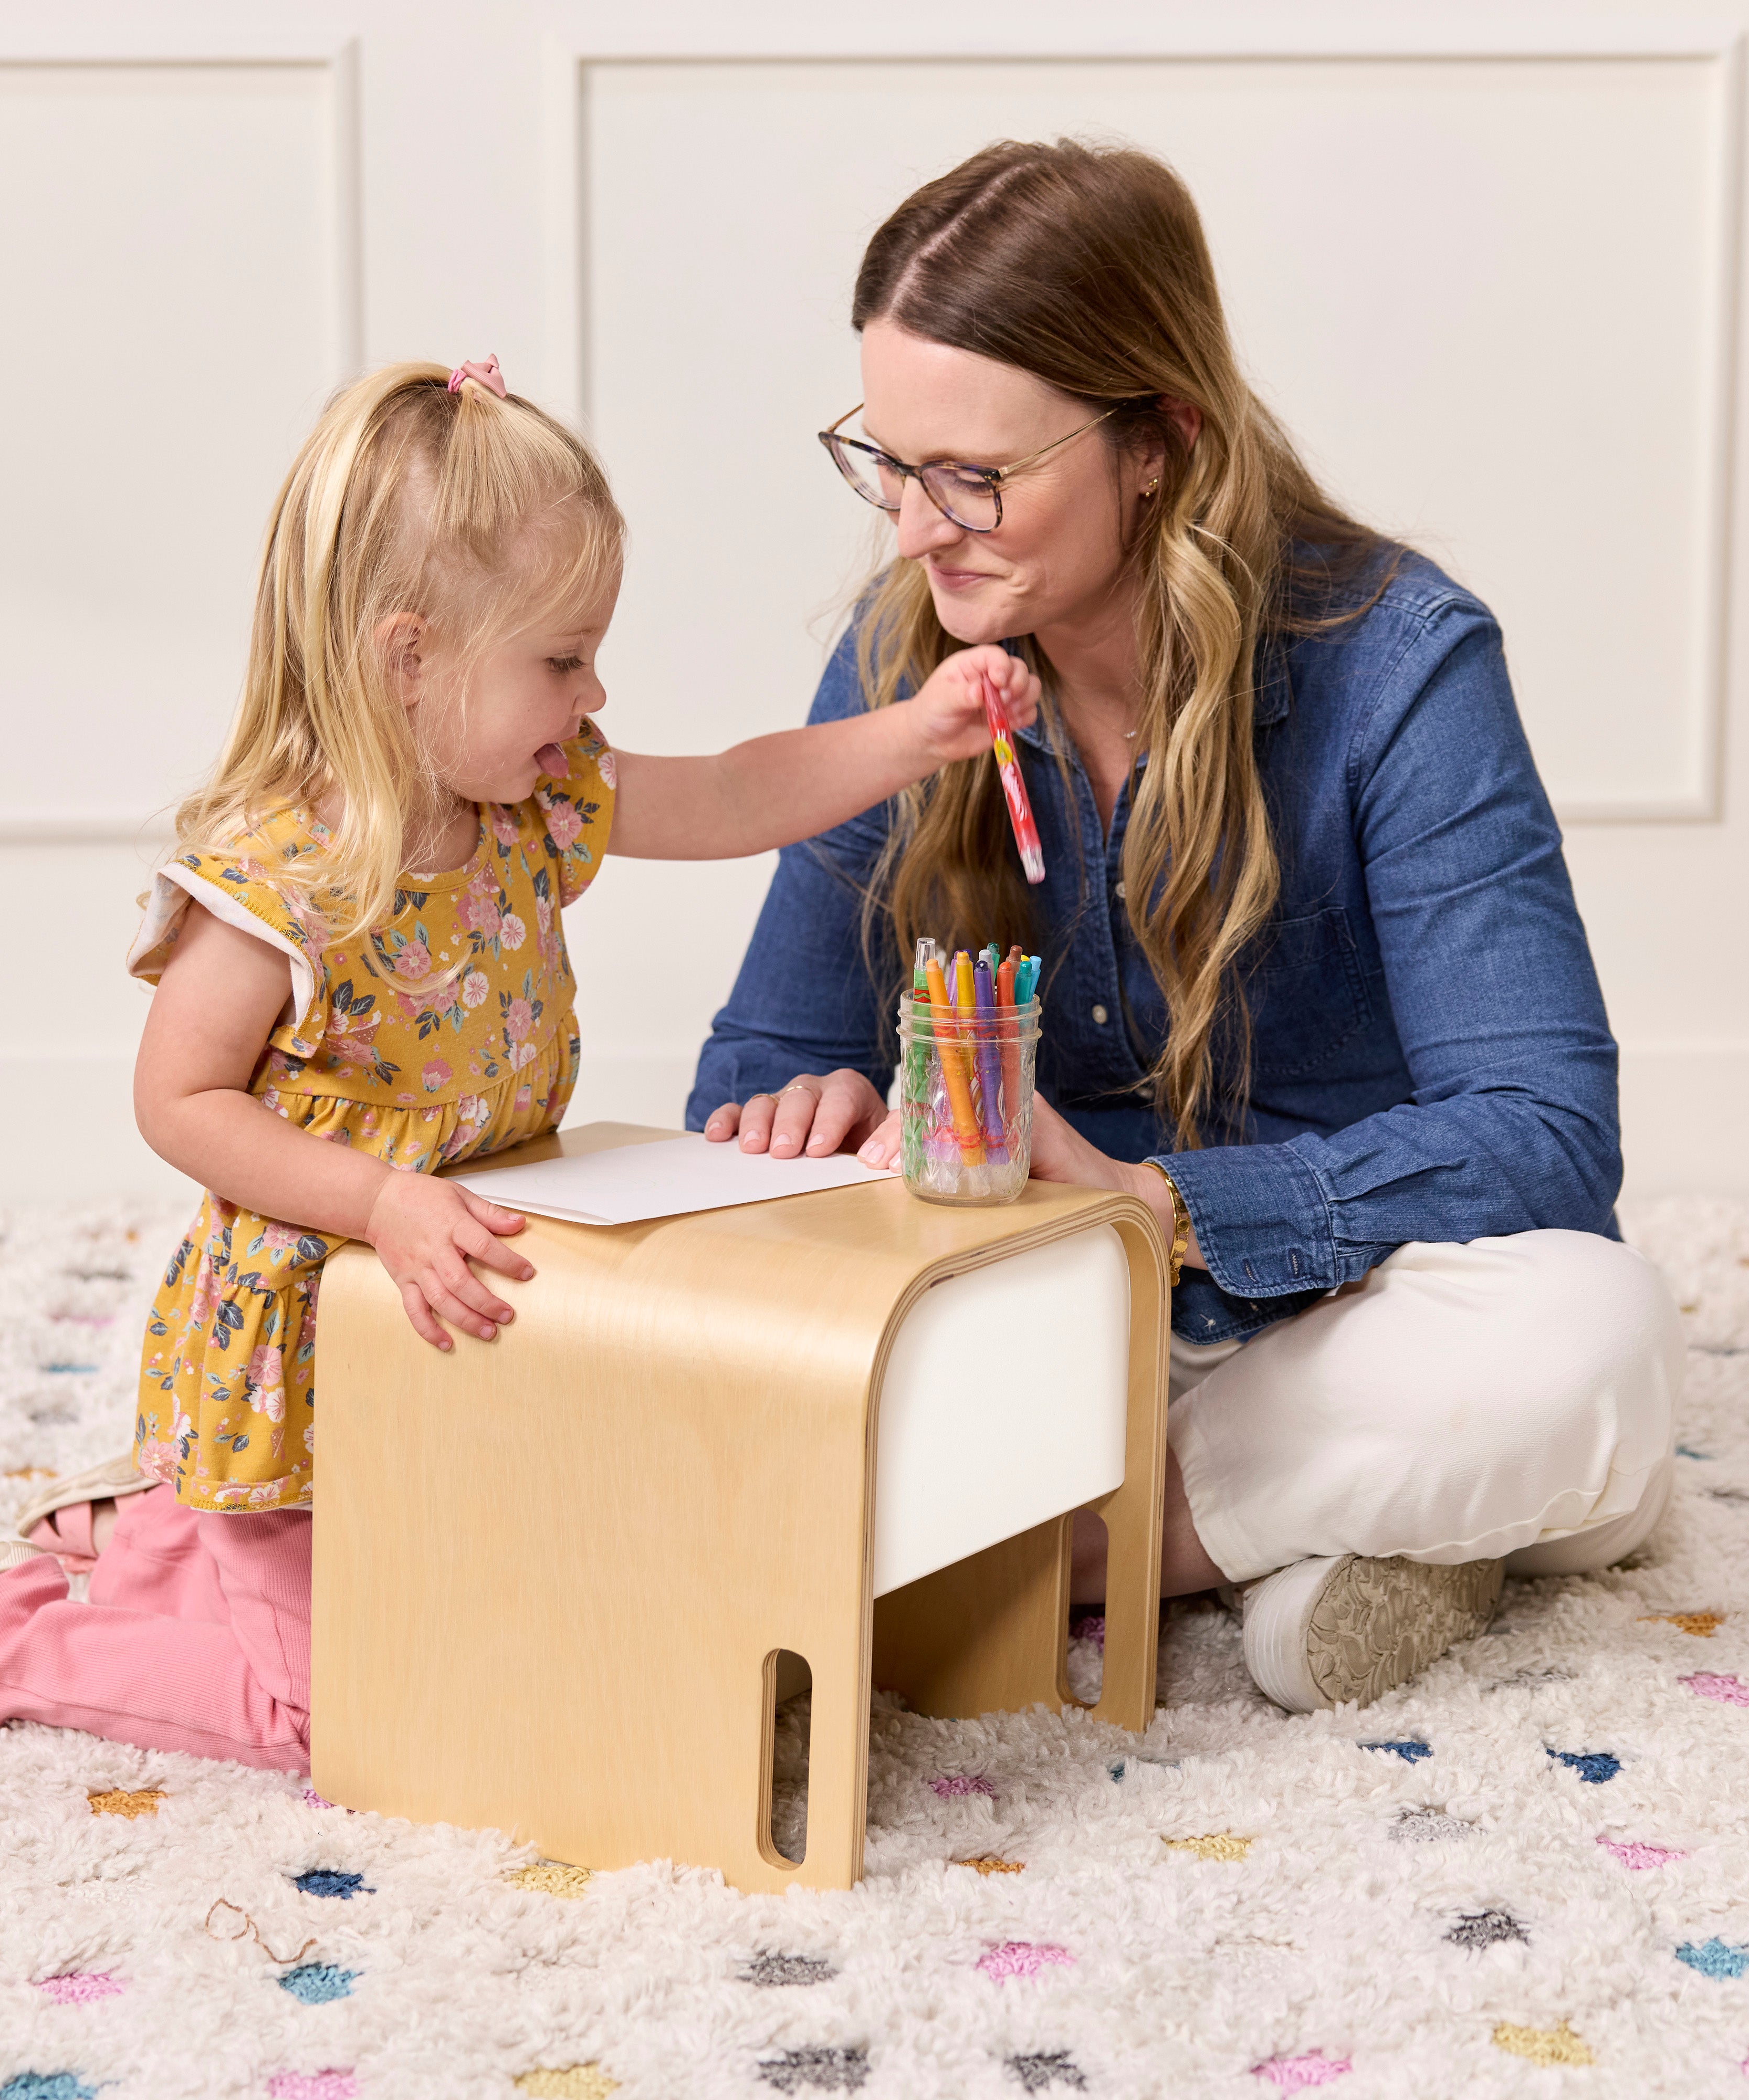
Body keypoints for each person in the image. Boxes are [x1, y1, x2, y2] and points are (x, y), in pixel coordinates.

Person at [0, 354, 1037, 1762]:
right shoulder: (284, 877)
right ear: (408, 656)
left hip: (457, 1321)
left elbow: (741, 794)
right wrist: (379, 1202)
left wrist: (917, 734)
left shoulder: (538, 800)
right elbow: (178, 1100)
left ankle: (155, 1540)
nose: (595, 687)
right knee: (351, 1712)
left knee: (524, 1617)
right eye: (561, 658)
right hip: (313, 1355)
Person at [691, 141, 1683, 1714]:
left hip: (1335, 1308)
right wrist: (821, 1107)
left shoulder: (1396, 665)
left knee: (1589, 1339)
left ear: (1158, 442)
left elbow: (1546, 1135)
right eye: (887, 462)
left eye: (975, 478)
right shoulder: (909, 661)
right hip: (1037, 1336)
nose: (914, 532)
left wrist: (1161, 1204)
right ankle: (1330, 1534)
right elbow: (763, 1056)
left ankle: (1023, 1557)